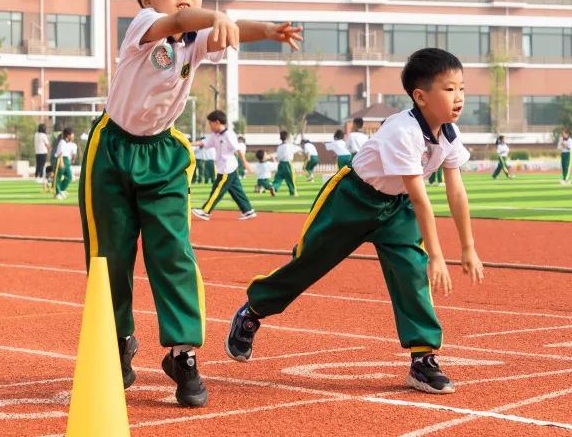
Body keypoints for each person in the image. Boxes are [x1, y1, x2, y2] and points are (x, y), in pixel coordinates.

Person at [76, 0, 300, 408]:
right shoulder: (143, 27)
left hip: (163, 152)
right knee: (110, 257)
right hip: (113, 152)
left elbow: (229, 30)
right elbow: (181, 22)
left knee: (173, 253)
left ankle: (183, 354)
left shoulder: (198, 39)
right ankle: (116, 342)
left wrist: (270, 32)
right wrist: (212, 13)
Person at [223, 48, 484, 395]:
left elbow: (456, 192)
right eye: (450, 89)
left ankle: (423, 359)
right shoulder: (402, 131)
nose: (459, 97)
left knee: (411, 271)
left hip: (395, 209)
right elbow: (422, 197)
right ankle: (253, 311)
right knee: (309, 262)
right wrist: (438, 254)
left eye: (462, 88)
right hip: (353, 199)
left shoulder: (449, 133)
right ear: (420, 96)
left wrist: (468, 248)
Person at [192, 110, 257, 221]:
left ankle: (205, 211)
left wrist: (245, 163)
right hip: (223, 168)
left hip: (227, 167)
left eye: (210, 123)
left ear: (217, 122)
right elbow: (203, 143)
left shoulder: (229, 135)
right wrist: (188, 144)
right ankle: (248, 210)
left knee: (217, 190)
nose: (210, 126)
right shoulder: (214, 135)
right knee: (236, 191)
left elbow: (238, 149)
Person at [271, 130, 298, 197]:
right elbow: (299, 149)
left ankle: (274, 187)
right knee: (291, 179)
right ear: (287, 137)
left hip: (280, 164)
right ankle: (293, 192)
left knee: (278, 178)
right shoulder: (290, 145)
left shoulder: (279, 147)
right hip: (288, 164)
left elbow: (278, 155)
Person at [54, 127, 76, 200]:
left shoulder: (70, 144)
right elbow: (60, 153)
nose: (73, 136)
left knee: (69, 177)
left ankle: (62, 190)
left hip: (67, 160)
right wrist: (61, 163)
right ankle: (57, 193)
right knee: (58, 177)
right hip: (61, 160)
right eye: (72, 134)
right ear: (68, 135)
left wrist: (71, 160)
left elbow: (72, 154)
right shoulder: (62, 142)